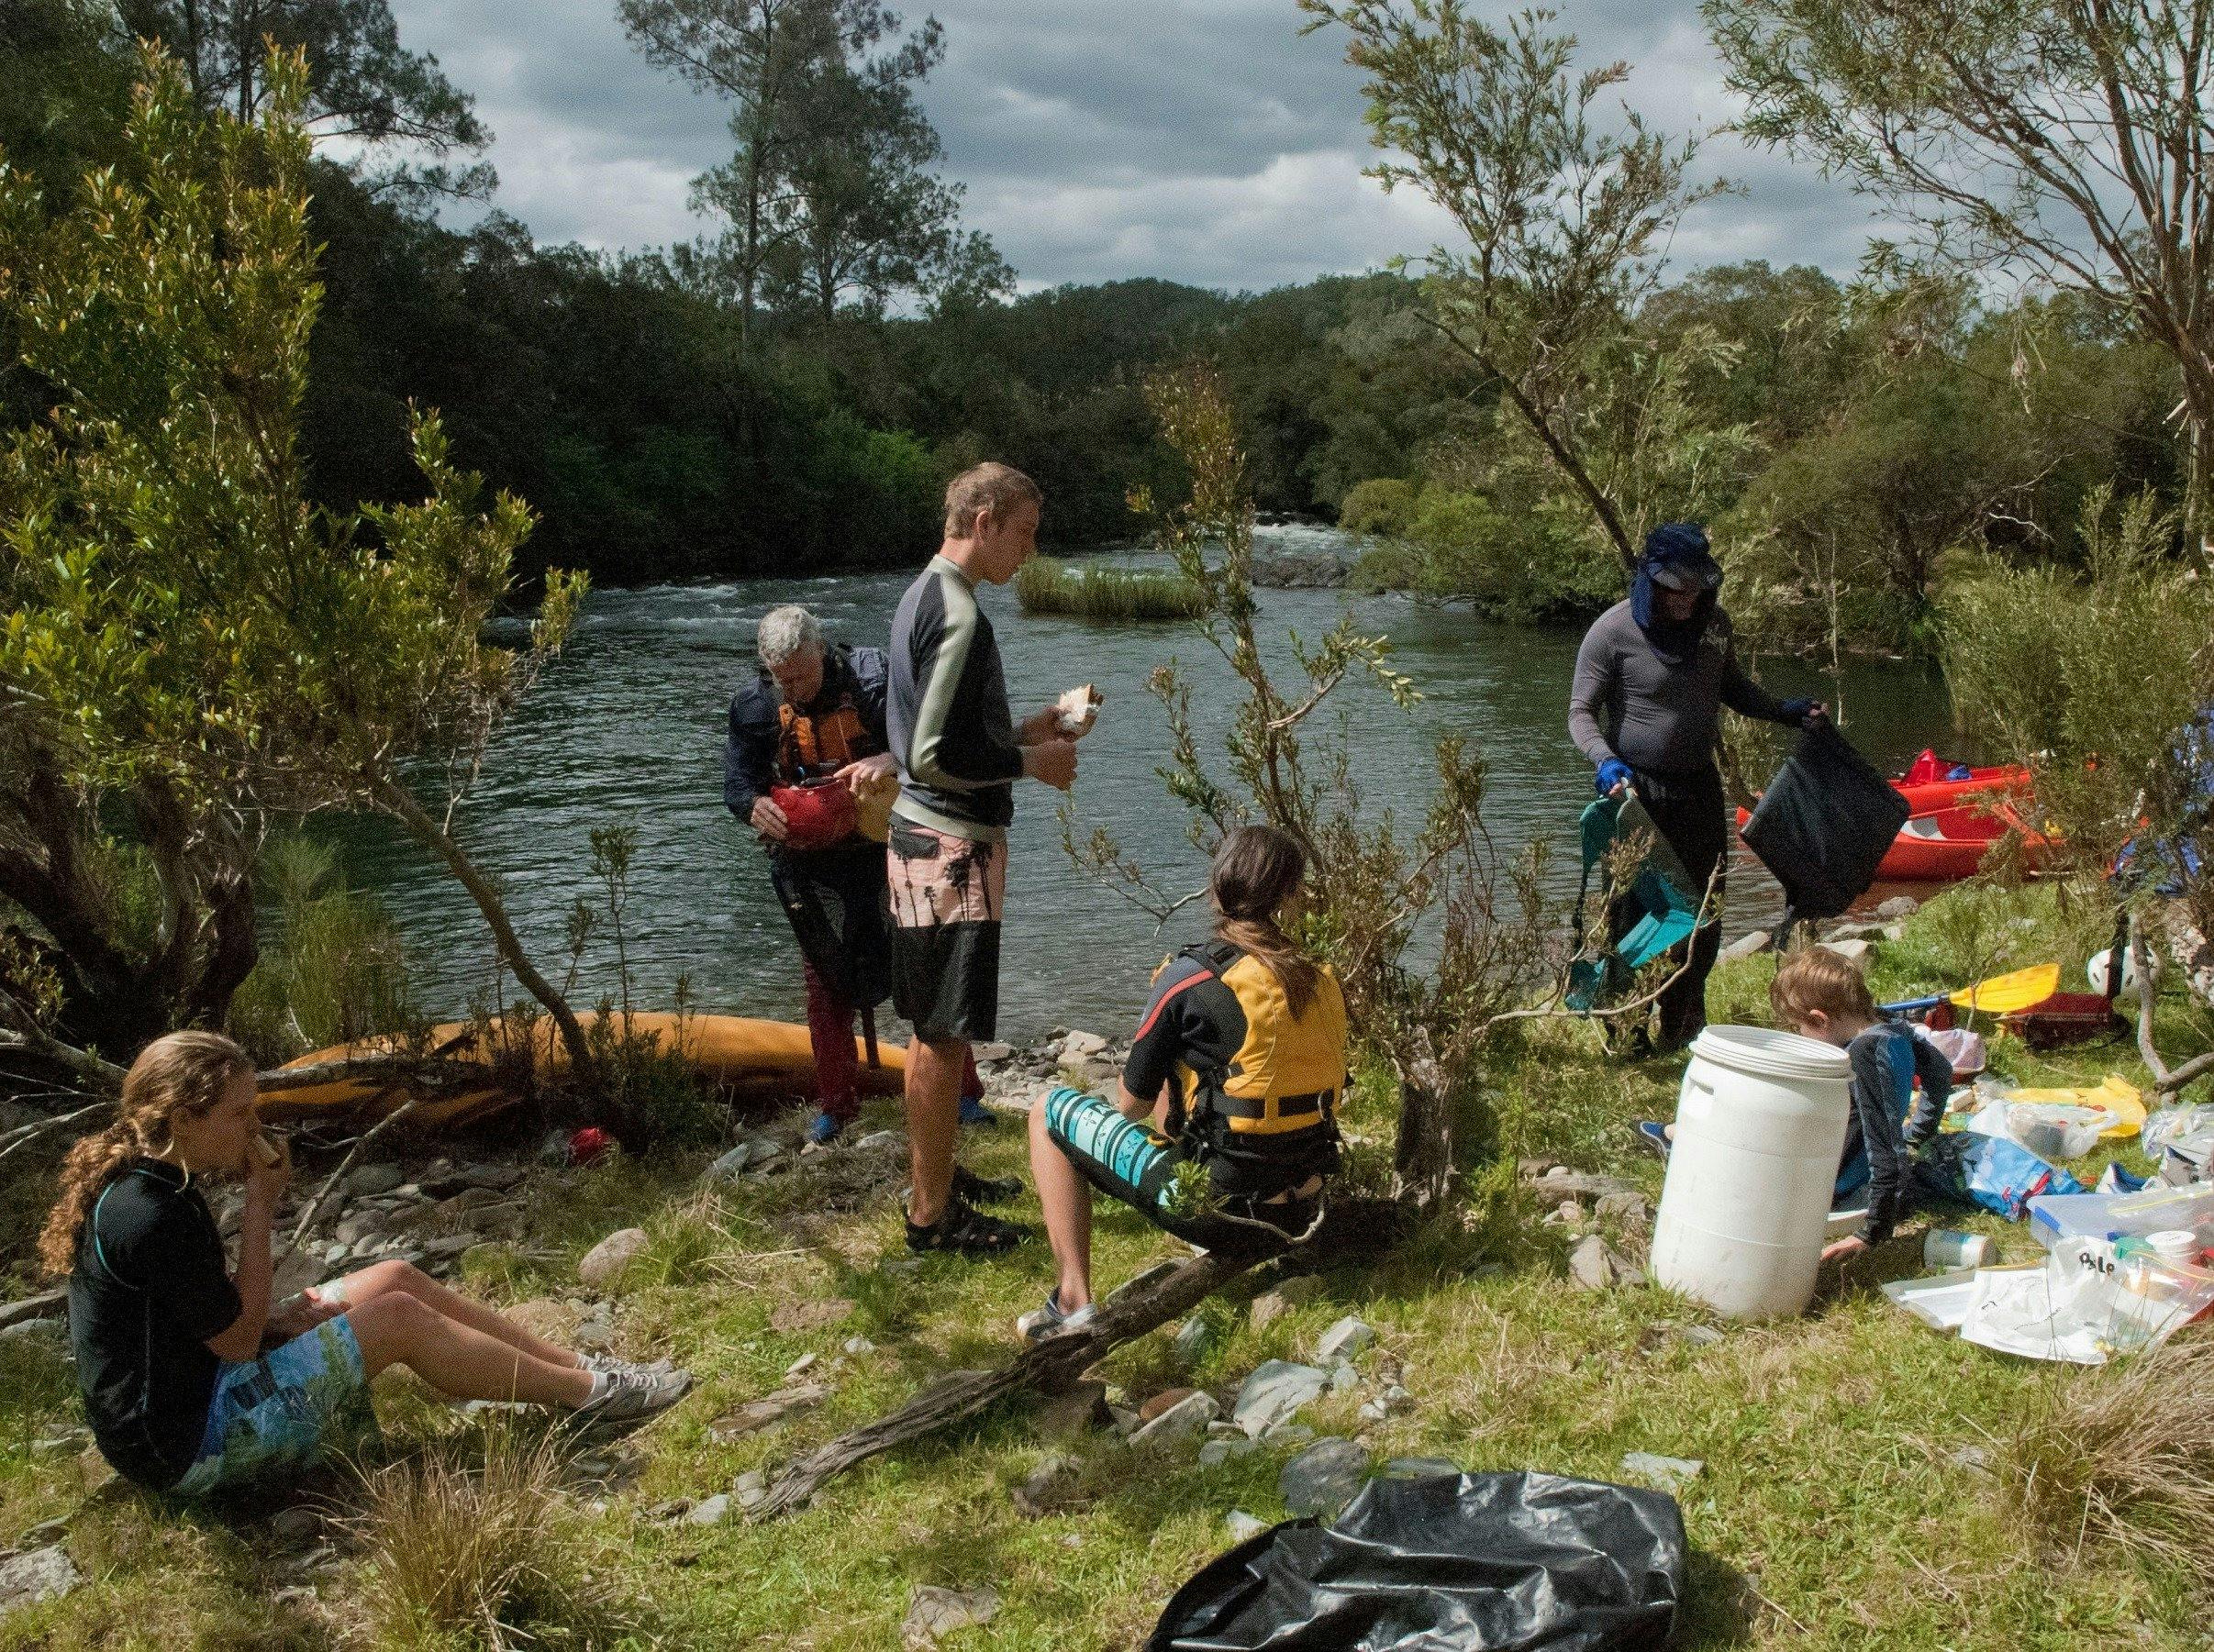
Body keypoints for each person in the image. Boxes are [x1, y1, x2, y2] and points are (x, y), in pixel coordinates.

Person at [42, 1032, 690, 1499]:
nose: (253, 1127)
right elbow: (236, 1342)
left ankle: (578, 1364)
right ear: (184, 1117)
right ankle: (593, 1398)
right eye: (240, 1114)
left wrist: (276, 1322)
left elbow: (195, 1322)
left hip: (195, 1391)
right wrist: (261, 1204)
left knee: (393, 1278)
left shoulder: (154, 1180)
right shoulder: (151, 1212)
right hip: (184, 1447)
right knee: (398, 1319)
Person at [1019, 825, 1347, 1339]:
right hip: (1304, 1202)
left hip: (1219, 1212)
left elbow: (1128, 1106)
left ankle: (1071, 1301)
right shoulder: (1323, 979)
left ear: (1217, 892)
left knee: (1047, 1112)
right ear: (1292, 896)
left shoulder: (1189, 977)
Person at [885, 461, 1082, 1257]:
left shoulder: (920, 594)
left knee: (933, 1031)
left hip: (917, 841)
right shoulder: (962, 615)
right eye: (1025, 534)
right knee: (941, 1036)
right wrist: (1030, 764)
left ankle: (934, 1178)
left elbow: (929, 737)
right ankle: (931, 1218)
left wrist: (1028, 726)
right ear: (986, 517)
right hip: (950, 849)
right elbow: (930, 754)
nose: (1028, 553)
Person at [723, 604, 988, 1145]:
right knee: (824, 981)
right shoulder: (753, 707)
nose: (793, 687)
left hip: (888, 846)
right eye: (782, 677)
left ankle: (962, 1094)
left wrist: (891, 758)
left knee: (928, 965)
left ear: (821, 651)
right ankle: (836, 1106)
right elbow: (738, 780)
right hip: (814, 865)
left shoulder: (874, 681)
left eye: (801, 673)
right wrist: (752, 806)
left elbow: (931, 742)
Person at [1567, 522, 1824, 1049]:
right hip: (1634, 796)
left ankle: (1681, 1030)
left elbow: (1733, 689)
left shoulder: (1715, 627)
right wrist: (1605, 760)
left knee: (1704, 913)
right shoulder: (1612, 632)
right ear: (1649, 580)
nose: (1686, 600)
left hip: (1698, 790)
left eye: (1696, 588)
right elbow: (1580, 713)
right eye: (1674, 588)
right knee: (1632, 915)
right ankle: (1627, 1030)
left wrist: (1786, 711)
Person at [1633, 948, 1952, 1262]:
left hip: (1829, 1187)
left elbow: (1885, 1150)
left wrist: (1870, 1232)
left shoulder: (1864, 1055)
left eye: (1798, 1028)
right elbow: (1940, 1071)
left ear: (1819, 1019)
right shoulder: (1893, 1027)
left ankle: (1679, 1139)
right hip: (1846, 1172)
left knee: (1737, 1130)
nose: (1798, 1035)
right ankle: (1678, 1134)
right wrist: (1918, 1134)